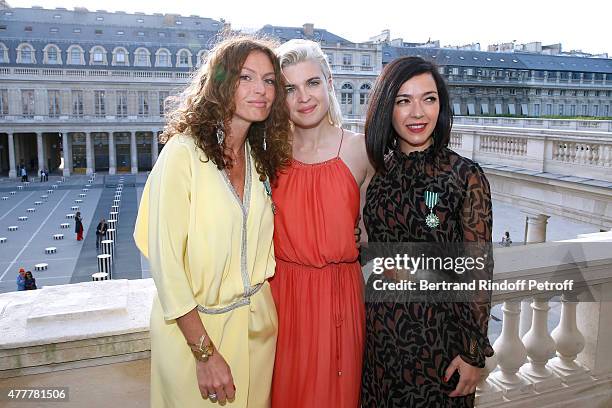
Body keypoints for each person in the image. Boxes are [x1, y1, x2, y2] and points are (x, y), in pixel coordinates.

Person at [133, 35, 291, 407]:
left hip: (258, 330)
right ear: (221, 83)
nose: (261, 90)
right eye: (246, 77)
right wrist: (204, 354)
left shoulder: (257, 157)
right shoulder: (182, 155)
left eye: (269, 80)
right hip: (198, 337)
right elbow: (167, 266)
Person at [361, 56, 494, 407]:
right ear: (386, 108)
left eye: (429, 99)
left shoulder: (465, 176)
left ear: (441, 105)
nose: (418, 112)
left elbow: (478, 271)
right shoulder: (378, 176)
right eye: (404, 100)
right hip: (379, 347)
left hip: (440, 348)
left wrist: (474, 353)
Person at [269, 39, 374, 408]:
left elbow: (381, 232)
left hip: (339, 300)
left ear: (329, 82)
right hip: (281, 299)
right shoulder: (269, 155)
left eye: (312, 83)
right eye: (290, 89)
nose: (303, 97)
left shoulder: (361, 151)